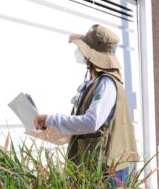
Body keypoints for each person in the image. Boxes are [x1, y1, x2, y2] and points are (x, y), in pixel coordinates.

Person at [34, 24, 139, 187]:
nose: (81, 53)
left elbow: (92, 122)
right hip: (100, 165)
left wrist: (50, 119)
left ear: (92, 56)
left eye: (85, 50)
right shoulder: (97, 82)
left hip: (110, 169)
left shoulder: (107, 83)